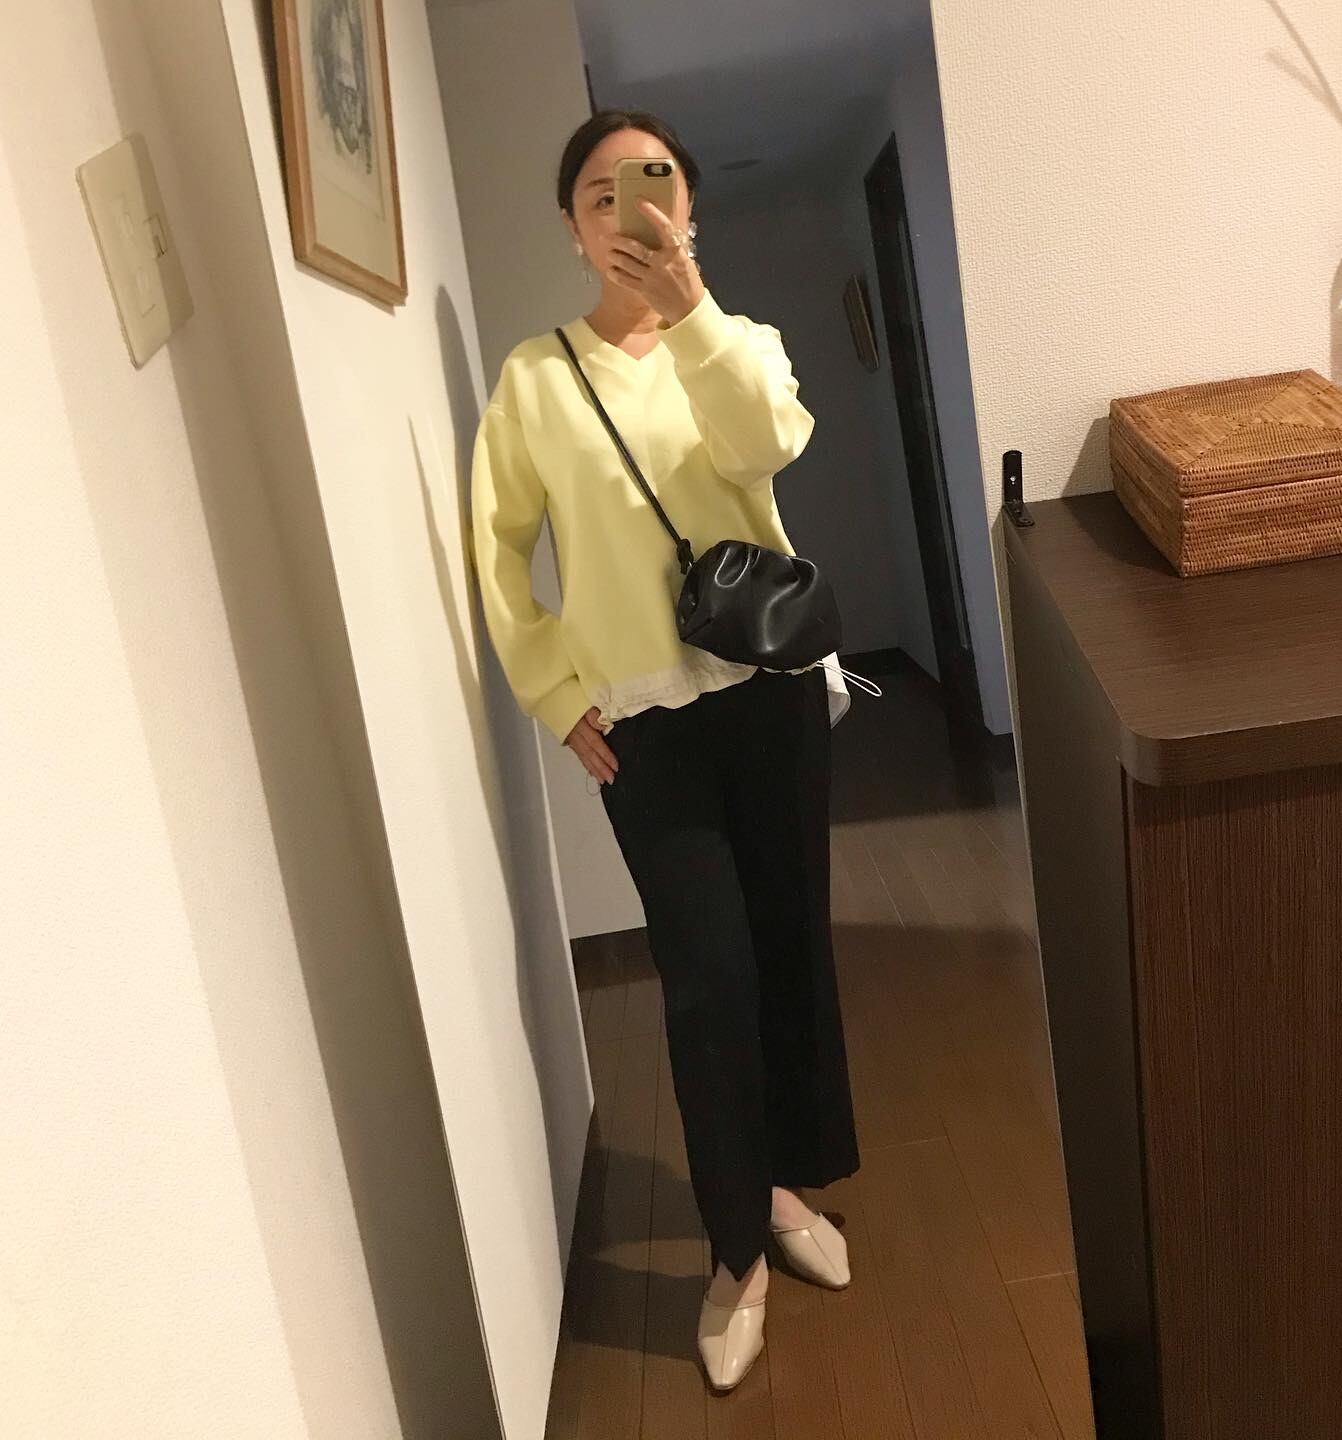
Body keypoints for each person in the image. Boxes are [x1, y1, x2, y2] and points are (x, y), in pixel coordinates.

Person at [469, 108, 862, 1393]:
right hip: (643, 722)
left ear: (688, 207)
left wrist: (691, 311)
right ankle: (736, 1251)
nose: (626, 210)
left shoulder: (741, 344)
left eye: (651, 185)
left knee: (789, 944)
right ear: (570, 227)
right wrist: (553, 690)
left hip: (770, 692)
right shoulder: (535, 380)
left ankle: (786, 1186)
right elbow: (497, 549)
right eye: (599, 193)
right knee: (705, 980)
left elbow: (767, 445)